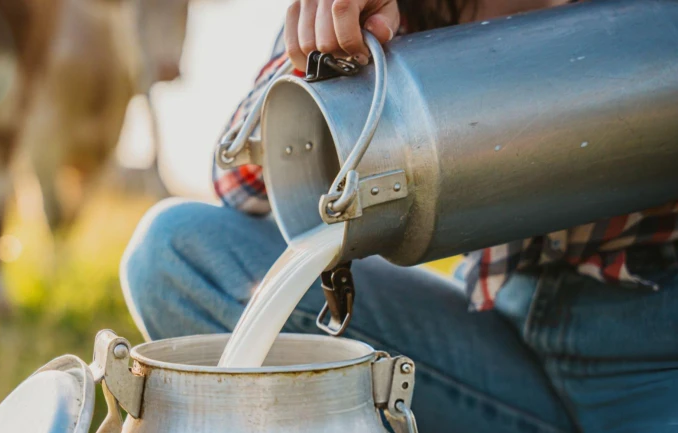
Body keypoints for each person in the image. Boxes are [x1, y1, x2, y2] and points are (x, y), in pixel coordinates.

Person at [121, 0, 678, 431]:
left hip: (654, 348)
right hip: (499, 344)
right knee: (175, 256)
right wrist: (337, 39)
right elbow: (242, 183)